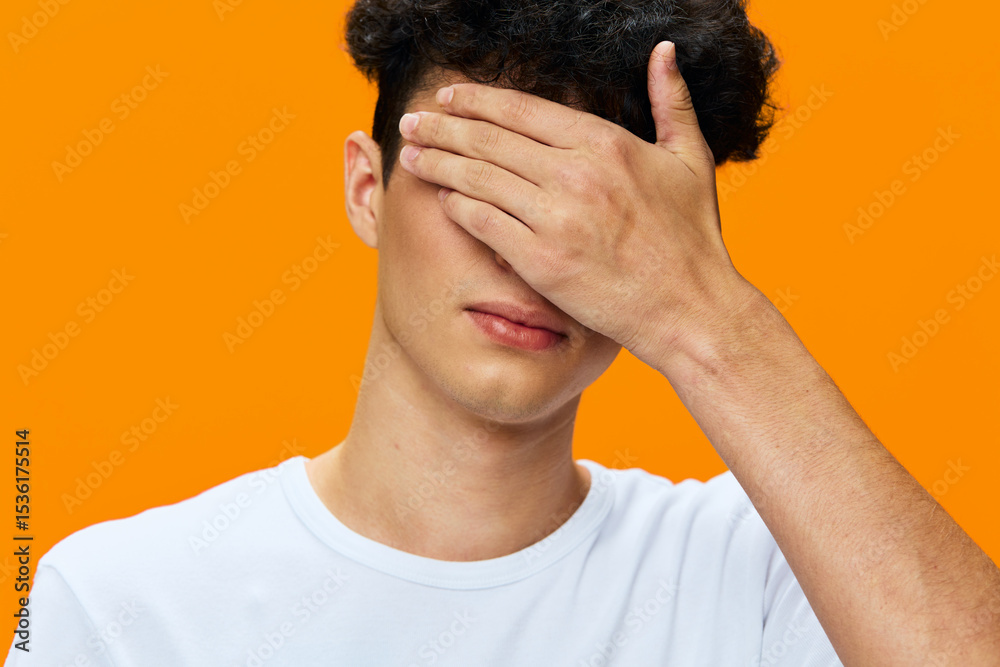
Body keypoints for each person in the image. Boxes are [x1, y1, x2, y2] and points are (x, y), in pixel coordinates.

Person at [9, 0, 1000, 665]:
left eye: (595, 211)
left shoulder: (766, 576)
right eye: (483, 175)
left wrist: (702, 313)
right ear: (366, 187)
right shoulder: (120, 604)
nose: (535, 255)